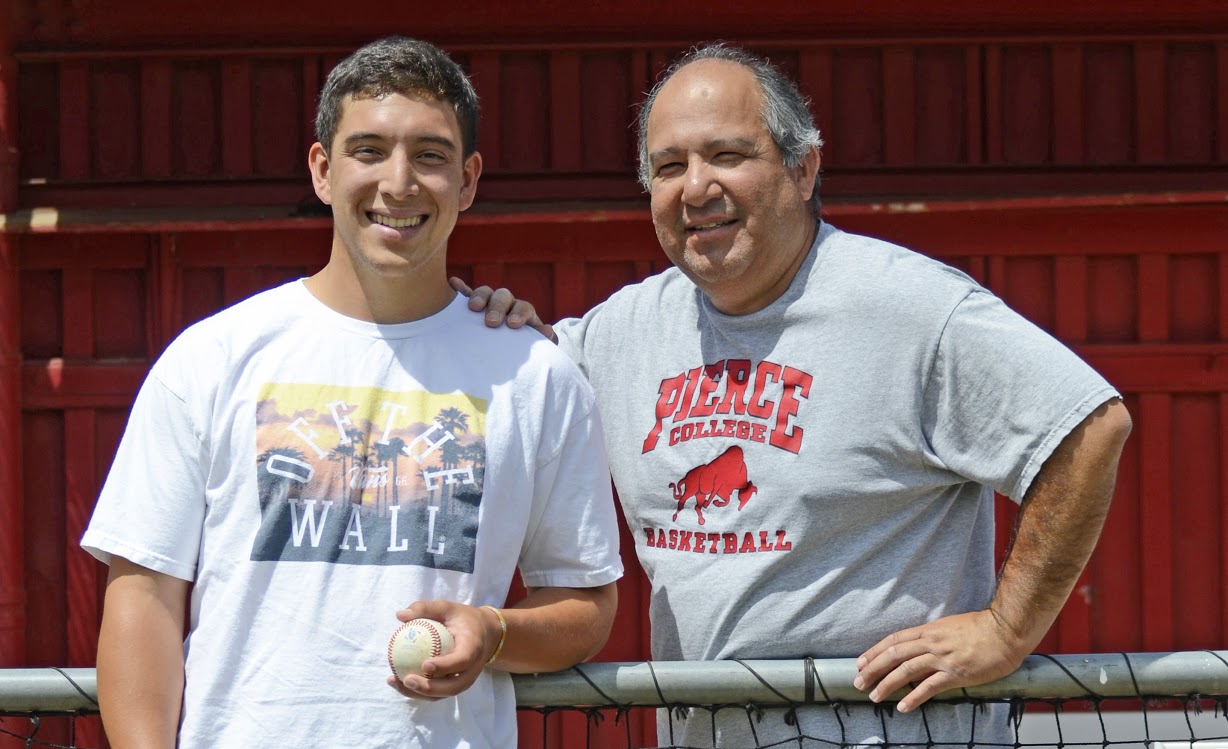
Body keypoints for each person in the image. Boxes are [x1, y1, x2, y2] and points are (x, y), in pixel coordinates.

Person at [458, 42, 1132, 748]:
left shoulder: (910, 309)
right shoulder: (618, 333)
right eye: (668, 166)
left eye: (726, 155)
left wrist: (1006, 629)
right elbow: (509, 392)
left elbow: (1088, 426)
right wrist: (488, 323)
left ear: (803, 167)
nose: (694, 187)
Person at [81, 36, 622, 749]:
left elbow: (585, 600)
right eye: (368, 150)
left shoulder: (537, 376)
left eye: (429, 155)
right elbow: (144, 595)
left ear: (467, 179)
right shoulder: (212, 359)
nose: (398, 183)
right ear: (322, 169)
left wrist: (494, 633)